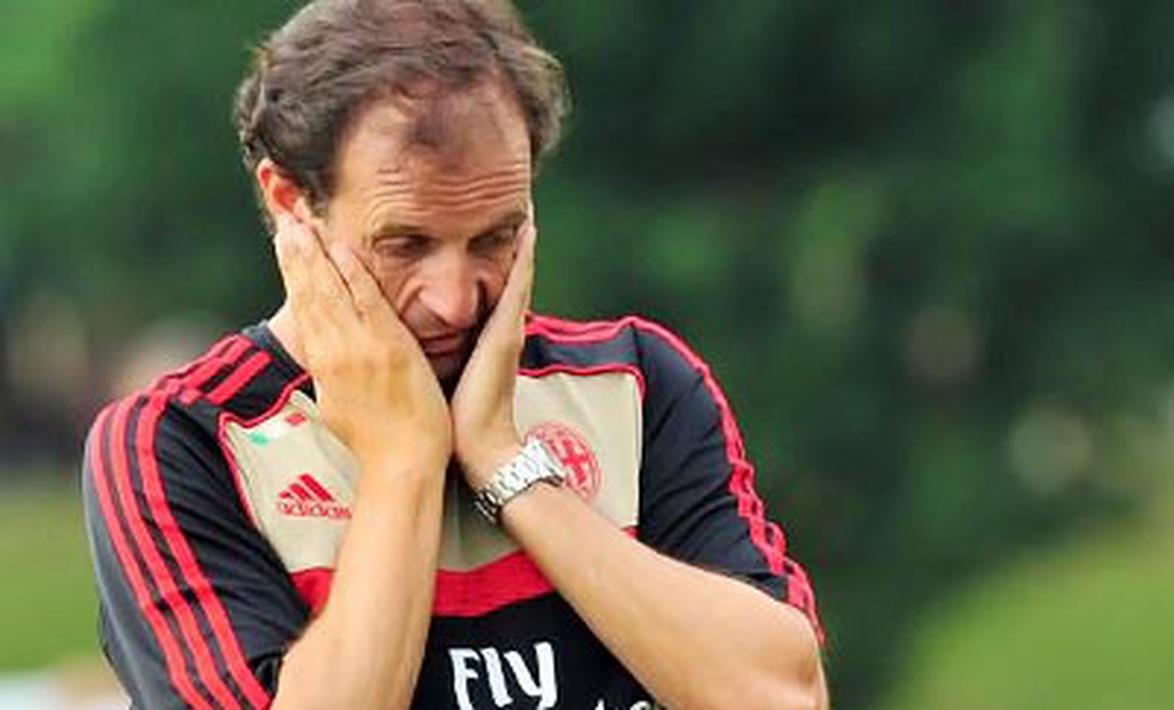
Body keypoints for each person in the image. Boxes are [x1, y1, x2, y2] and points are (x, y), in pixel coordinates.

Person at [82, 1, 828, 707]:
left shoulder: (633, 382)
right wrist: (403, 460)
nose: (456, 299)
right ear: (288, 201)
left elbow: (783, 696)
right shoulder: (179, 443)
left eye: (495, 236)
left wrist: (505, 464)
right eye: (406, 244)